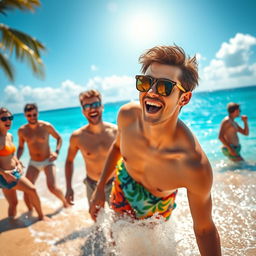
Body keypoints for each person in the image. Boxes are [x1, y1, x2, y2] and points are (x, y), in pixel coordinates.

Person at [90, 46, 221, 255]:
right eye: (145, 82)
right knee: (115, 240)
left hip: (156, 206)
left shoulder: (193, 165)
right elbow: (116, 148)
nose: (150, 92)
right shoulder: (127, 116)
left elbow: (204, 230)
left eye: (164, 87)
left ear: (184, 99)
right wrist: (99, 189)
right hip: (123, 184)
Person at [65, 89, 117, 207]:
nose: (92, 109)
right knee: (96, 220)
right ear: (83, 111)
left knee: (118, 220)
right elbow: (69, 161)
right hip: (91, 184)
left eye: (95, 104)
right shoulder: (77, 137)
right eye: (87, 106)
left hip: (115, 183)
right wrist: (68, 187)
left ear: (102, 107)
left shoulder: (116, 131)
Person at [17, 103, 69, 210]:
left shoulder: (46, 126)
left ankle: (65, 202)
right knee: (27, 190)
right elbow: (21, 147)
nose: (32, 117)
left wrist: (56, 152)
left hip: (48, 161)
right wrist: (16, 159)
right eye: (29, 115)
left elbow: (59, 138)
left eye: (34, 114)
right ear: (25, 116)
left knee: (52, 187)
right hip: (33, 163)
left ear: (37, 113)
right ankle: (30, 214)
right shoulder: (22, 131)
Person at [0, 107, 46, 220]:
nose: (8, 121)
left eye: (10, 118)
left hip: (11, 174)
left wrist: (18, 163)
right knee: (32, 190)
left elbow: (12, 154)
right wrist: (4, 173)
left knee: (13, 203)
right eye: (4, 118)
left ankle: (10, 222)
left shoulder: (9, 136)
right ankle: (41, 217)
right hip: (5, 176)